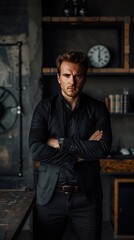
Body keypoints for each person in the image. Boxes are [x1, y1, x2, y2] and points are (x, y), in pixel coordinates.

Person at [29, 50, 112, 240]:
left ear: (84, 78)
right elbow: (35, 149)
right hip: (50, 198)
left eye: (78, 76)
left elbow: (102, 149)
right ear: (59, 78)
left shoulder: (98, 109)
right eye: (67, 75)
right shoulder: (44, 108)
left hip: (87, 199)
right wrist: (80, 153)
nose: (72, 81)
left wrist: (61, 143)